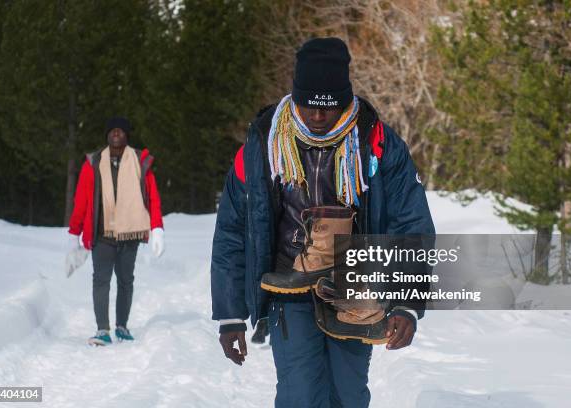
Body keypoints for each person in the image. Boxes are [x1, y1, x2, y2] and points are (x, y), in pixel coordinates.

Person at [211, 38, 435, 407]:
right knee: (301, 395)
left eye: (328, 108)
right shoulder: (262, 145)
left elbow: (410, 222)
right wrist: (230, 314)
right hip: (289, 287)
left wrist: (407, 303)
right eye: (309, 106)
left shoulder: (376, 142)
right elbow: (233, 230)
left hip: (355, 287)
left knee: (347, 395)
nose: (318, 117)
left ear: (346, 99)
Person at [66, 117, 165, 346]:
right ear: (107, 135)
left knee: (126, 281)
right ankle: (102, 330)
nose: (117, 133)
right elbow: (81, 199)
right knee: (101, 281)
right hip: (102, 235)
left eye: (121, 130)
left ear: (127, 135)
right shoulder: (93, 162)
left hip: (130, 235)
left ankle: (122, 326)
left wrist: (157, 227)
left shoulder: (140, 161)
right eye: (112, 130)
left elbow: (152, 197)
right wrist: (74, 232)